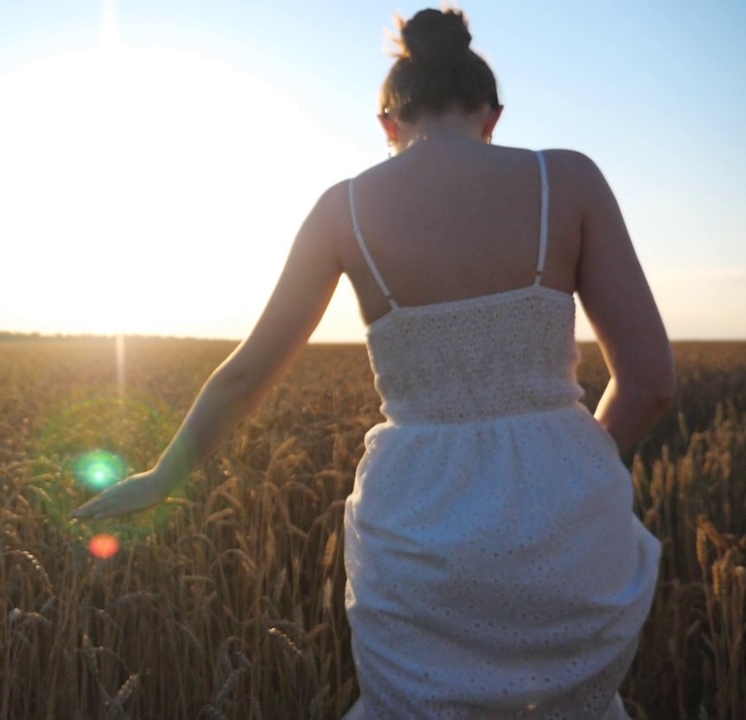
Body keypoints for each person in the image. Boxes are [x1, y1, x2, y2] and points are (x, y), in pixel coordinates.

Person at [71, 7, 675, 719]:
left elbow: (244, 373)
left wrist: (161, 476)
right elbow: (651, 384)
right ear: (493, 114)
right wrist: (564, 466)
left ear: (387, 121)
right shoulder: (567, 180)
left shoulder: (344, 208)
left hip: (417, 512)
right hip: (569, 508)